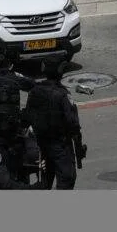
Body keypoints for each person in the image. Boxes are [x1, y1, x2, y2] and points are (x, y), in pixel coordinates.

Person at [24, 58, 84, 190]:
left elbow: (27, 115)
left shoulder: (35, 90)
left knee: (45, 180)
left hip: (42, 143)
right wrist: (78, 145)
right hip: (60, 145)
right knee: (66, 179)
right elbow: (73, 123)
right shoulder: (62, 94)